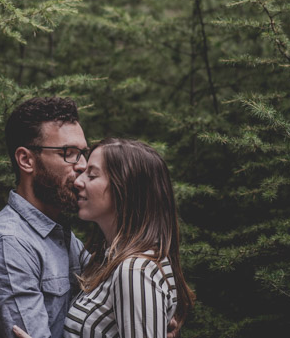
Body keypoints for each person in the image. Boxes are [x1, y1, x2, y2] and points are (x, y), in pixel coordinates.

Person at [13, 138, 195, 338]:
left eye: (92, 175)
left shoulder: (135, 271)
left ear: (124, 189)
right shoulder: (108, 259)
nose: (78, 181)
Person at [0, 96, 90, 338]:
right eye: (69, 153)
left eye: (83, 153)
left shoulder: (59, 233)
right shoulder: (9, 244)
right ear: (26, 160)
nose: (83, 165)